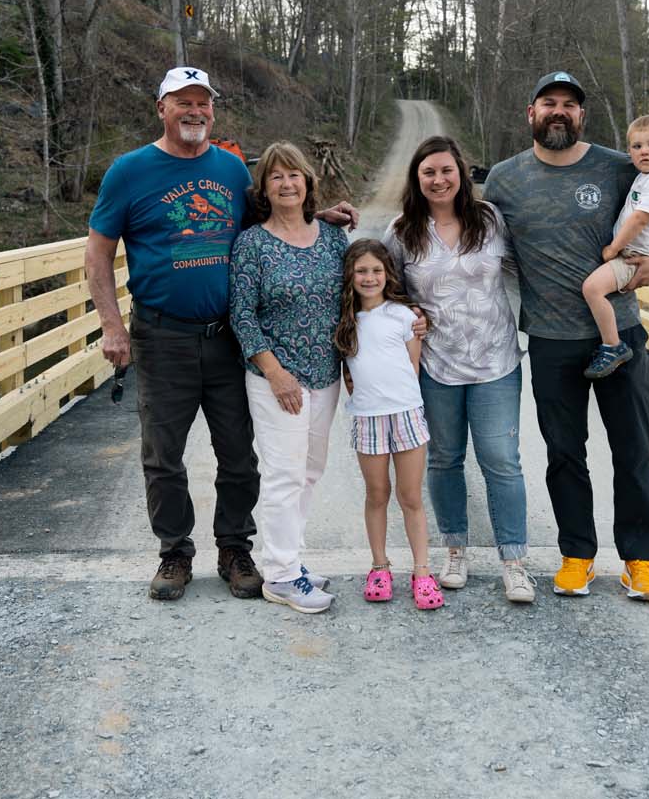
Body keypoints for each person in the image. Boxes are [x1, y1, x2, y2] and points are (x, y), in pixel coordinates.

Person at [85, 67, 355, 603]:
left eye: (202, 103)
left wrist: (316, 216)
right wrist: (112, 325)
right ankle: (174, 552)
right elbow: (97, 253)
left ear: (212, 111)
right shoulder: (129, 171)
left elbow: (268, 220)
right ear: (161, 108)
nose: (194, 111)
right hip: (162, 335)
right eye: (182, 102)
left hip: (226, 336)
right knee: (163, 453)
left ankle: (235, 548)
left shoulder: (230, 168)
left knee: (238, 452)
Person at [481, 70, 649, 603]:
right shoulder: (504, 179)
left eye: (569, 104)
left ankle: (639, 559)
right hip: (551, 338)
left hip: (620, 332)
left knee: (633, 448)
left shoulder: (620, 166)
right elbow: (476, 243)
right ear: (531, 113)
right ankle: (577, 555)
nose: (559, 111)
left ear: (581, 115)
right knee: (564, 452)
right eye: (549, 102)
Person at [381, 135, 536, 604]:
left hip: (495, 361)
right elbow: (384, 289)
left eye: (446, 170)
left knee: (501, 460)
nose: (438, 179)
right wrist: (409, 312)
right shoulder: (402, 231)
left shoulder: (489, 220)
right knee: (445, 458)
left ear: (461, 173)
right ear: (417, 179)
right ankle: (454, 550)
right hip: (435, 364)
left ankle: (514, 562)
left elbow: (528, 267)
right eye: (428, 172)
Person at [229, 142, 348, 615]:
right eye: (275, 176)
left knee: (310, 471)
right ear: (263, 188)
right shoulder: (252, 244)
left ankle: (290, 560)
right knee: (283, 474)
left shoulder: (332, 238)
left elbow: (351, 302)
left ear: (308, 182)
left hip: (325, 373)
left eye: (294, 174)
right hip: (276, 379)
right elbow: (242, 315)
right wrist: (275, 373)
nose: (286, 183)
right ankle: (280, 575)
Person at [336, 239, 445, 611]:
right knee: (377, 494)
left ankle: (422, 571)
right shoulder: (346, 321)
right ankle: (379, 567)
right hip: (368, 418)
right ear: (350, 275)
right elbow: (349, 370)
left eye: (376, 270)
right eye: (361, 271)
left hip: (406, 414)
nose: (369, 278)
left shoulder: (403, 316)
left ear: (387, 274)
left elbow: (413, 367)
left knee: (411, 496)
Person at [581, 115, 649, 379]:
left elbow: (640, 219)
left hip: (631, 258)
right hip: (630, 253)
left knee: (592, 289)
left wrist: (613, 249)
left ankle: (613, 346)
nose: (644, 151)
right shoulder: (648, 177)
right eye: (637, 146)